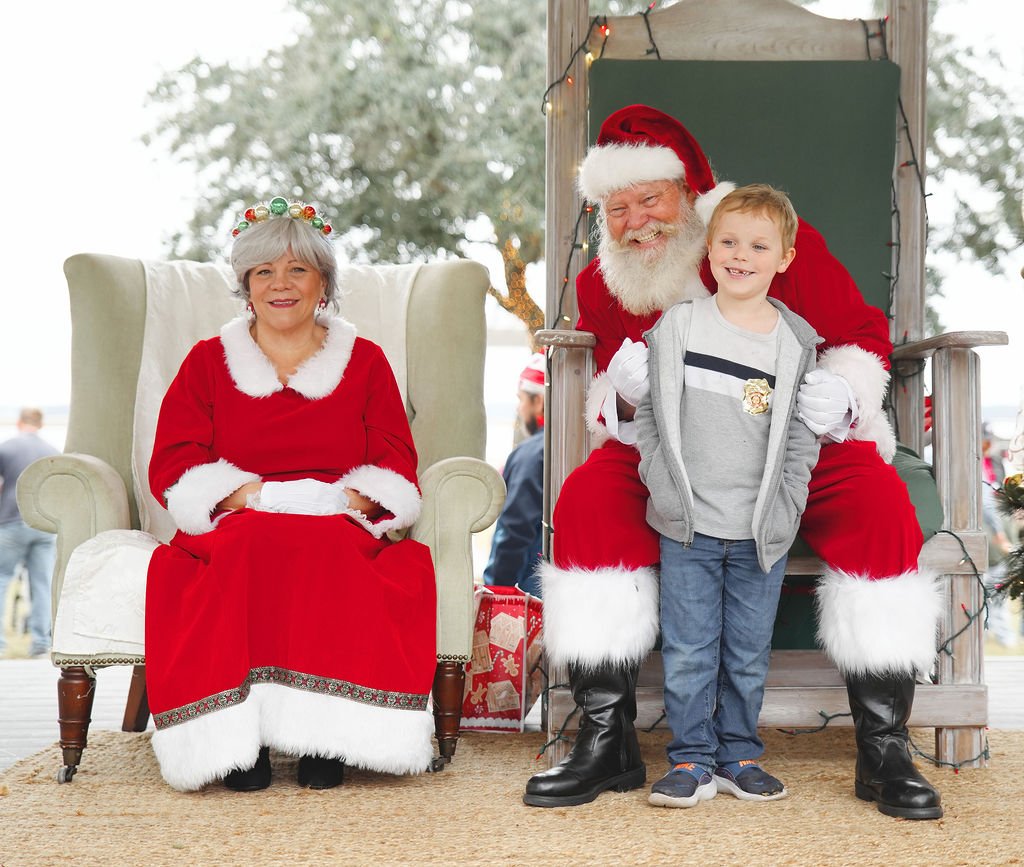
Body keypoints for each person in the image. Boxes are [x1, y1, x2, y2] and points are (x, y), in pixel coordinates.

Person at [523, 104, 944, 821]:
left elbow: (860, 333)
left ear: (687, 193)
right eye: (616, 208)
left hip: (788, 441)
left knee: (877, 503)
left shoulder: (764, 239)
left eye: (650, 198)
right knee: (589, 500)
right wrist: (620, 400)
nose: (637, 221)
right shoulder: (603, 285)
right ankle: (606, 737)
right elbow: (615, 400)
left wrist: (839, 390)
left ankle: (884, 746)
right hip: (676, 451)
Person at [145, 196, 437, 792]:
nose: (281, 285)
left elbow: (393, 458)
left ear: (323, 283)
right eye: (264, 272)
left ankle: (325, 738)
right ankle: (239, 742)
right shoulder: (206, 363)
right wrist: (246, 497)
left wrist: (344, 502)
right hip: (239, 516)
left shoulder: (366, 361)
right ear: (245, 286)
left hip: (334, 515)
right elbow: (175, 459)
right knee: (248, 545)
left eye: (297, 269)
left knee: (329, 547)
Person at [636, 185, 820, 808]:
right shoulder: (682, 325)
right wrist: (664, 485)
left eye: (758, 245)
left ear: (784, 257)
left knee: (745, 651)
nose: (741, 256)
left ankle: (739, 751)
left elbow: (800, 435)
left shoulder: (793, 341)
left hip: (757, 529)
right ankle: (690, 760)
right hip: (687, 522)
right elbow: (649, 418)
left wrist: (788, 504)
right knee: (688, 650)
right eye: (729, 242)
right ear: (709, 248)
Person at [482, 352, 546, 597]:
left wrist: (495, 589)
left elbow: (513, 532)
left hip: (530, 592)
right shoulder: (577, 447)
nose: (519, 408)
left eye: (522, 399)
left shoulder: (531, 455)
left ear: (539, 401)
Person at [0, 407, 59, 658]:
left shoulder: (7, 448)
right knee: (42, 583)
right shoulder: (52, 452)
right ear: (41, 424)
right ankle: (40, 642)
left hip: (11, 521)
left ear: (19, 422)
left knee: (2, 579)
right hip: (44, 526)